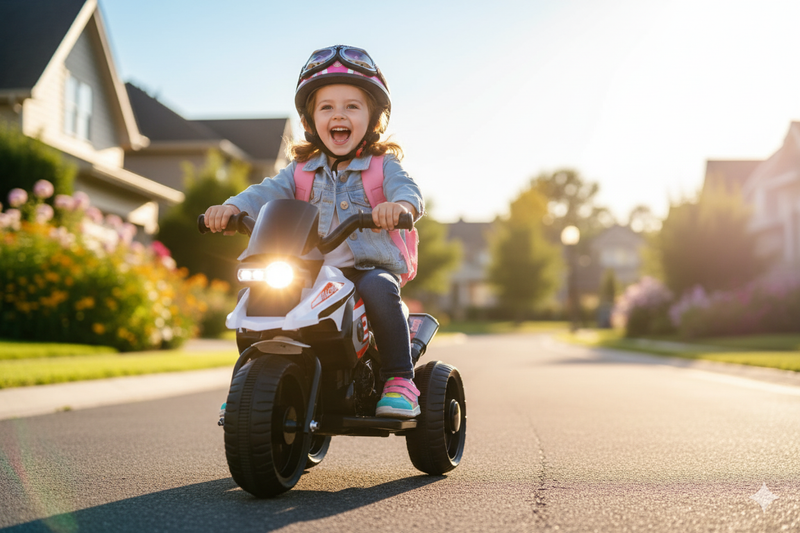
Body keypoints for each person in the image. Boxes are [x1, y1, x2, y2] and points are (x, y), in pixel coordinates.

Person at [204, 45, 424, 419]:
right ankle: (247, 382)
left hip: (364, 268)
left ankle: (400, 379)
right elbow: (265, 193)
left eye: (352, 106)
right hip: (309, 268)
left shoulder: (381, 166)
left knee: (379, 288)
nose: (339, 114)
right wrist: (233, 208)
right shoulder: (301, 170)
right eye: (327, 107)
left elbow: (409, 192)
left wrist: (399, 208)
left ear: (373, 117)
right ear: (311, 120)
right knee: (257, 295)